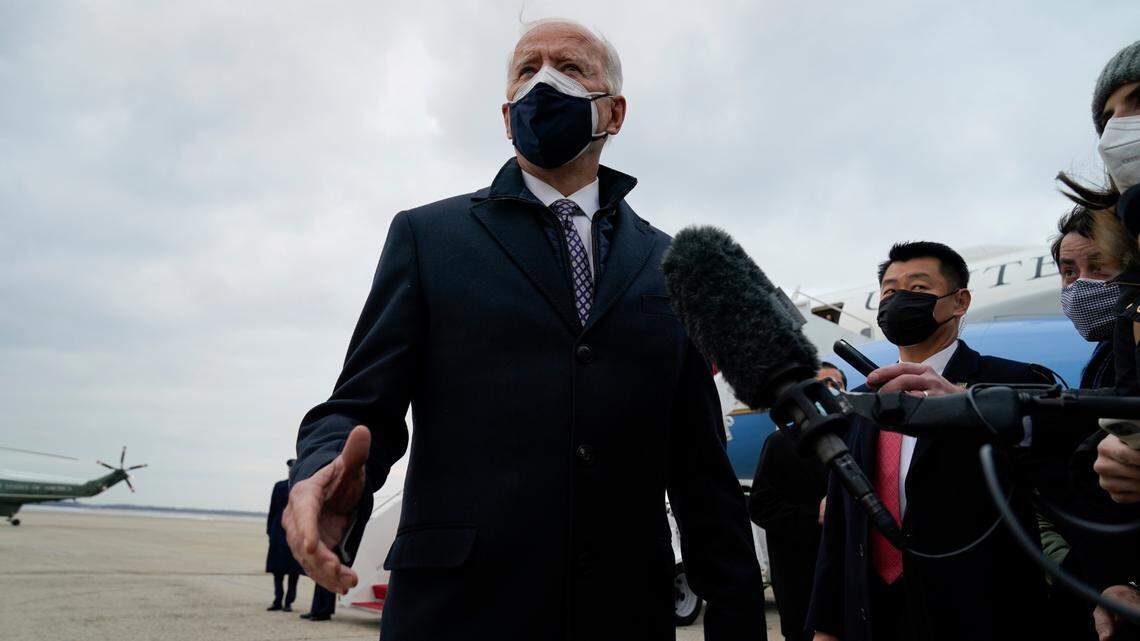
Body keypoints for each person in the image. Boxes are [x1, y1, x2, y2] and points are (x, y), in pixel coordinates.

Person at [283, 17, 766, 641]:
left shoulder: (673, 266)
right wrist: (325, 467)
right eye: (526, 69)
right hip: (458, 612)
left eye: (570, 68)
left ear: (613, 112)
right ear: (508, 116)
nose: (545, 80)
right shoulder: (429, 238)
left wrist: (737, 619)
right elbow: (359, 404)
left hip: (624, 612)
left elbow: (701, 471)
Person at [807, 241, 1051, 641]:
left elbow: (1053, 476)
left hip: (980, 615)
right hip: (875, 616)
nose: (899, 299)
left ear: (959, 301)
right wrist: (826, 625)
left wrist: (967, 407)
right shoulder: (862, 402)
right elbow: (841, 527)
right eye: (889, 291)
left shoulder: (1015, 383)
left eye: (918, 288)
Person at [750, 364, 845, 641]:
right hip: (801, 575)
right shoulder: (781, 443)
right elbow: (760, 507)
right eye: (822, 384)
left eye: (836, 384)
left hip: (845, 572)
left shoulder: (856, 437)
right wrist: (814, 514)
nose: (830, 391)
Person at [265, 460, 302, 612]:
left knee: (294, 571)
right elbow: (272, 509)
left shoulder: (303, 488)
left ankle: (289, 602)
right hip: (278, 533)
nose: (290, 471)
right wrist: (269, 530)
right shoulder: (279, 486)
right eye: (289, 469)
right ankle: (277, 600)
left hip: (296, 533)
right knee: (277, 570)